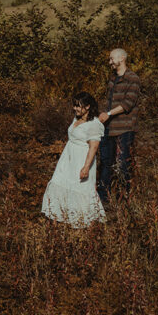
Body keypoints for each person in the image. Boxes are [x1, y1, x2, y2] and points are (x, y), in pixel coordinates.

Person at [41, 92, 106, 227]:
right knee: (59, 183)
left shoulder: (94, 124)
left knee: (80, 188)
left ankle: (82, 222)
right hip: (67, 159)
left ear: (87, 107)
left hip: (81, 160)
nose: (75, 109)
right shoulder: (76, 119)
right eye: (74, 106)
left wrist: (86, 167)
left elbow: (94, 148)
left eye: (78, 106)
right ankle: (58, 217)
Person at [97, 48, 141, 205]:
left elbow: (127, 104)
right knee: (105, 163)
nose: (110, 62)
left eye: (111, 59)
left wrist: (108, 114)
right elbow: (110, 102)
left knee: (123, 164)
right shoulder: (112, 79)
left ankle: (125, 201)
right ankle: (103, 201)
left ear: (121, 58)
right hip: (108, 128)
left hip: (125, 129)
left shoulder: (132, 79)